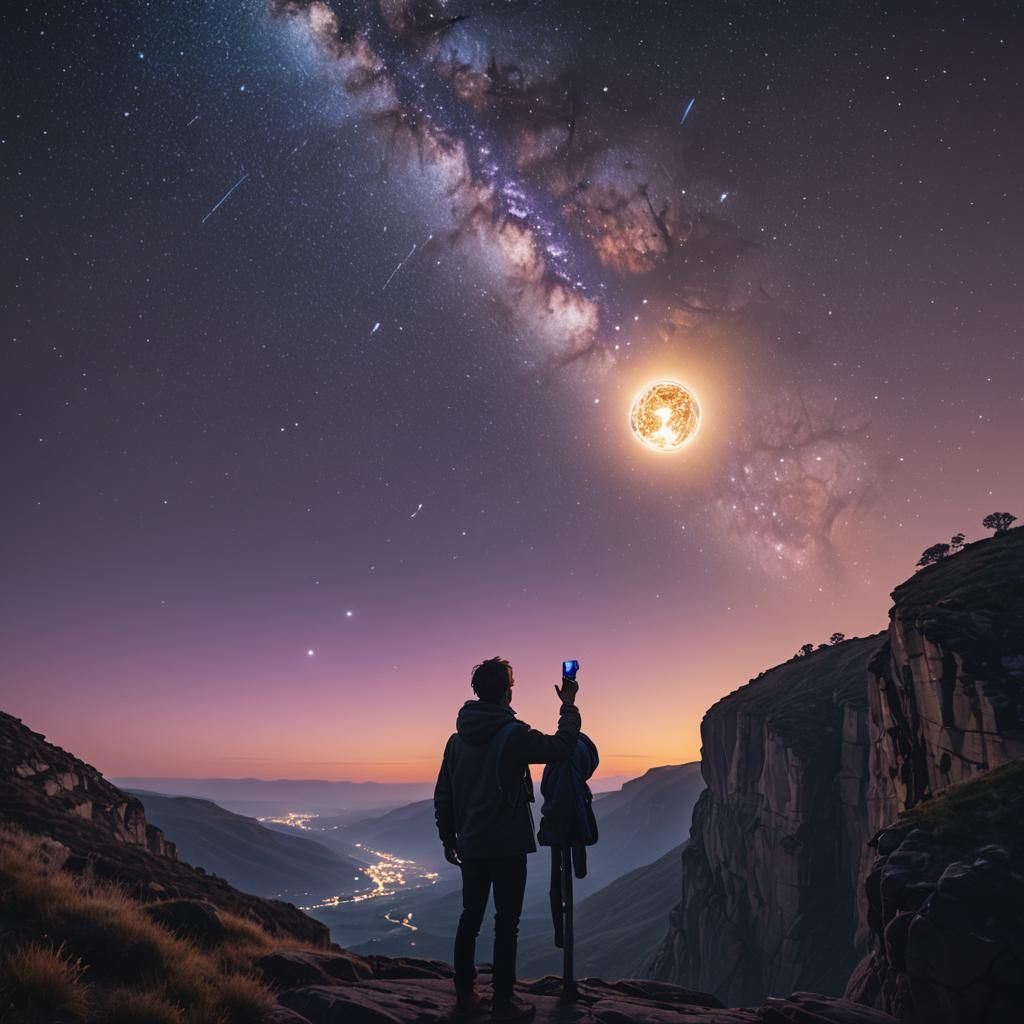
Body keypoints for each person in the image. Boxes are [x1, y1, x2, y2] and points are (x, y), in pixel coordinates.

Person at [434, 657, 581, 1021]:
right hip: (508, 845)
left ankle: (465, 993)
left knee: (470, 916)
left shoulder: (456, 741)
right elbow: (561, 747)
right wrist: (568, 704)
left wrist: (448, 838)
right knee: (506, 921)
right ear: (506, 692)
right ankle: (503, 1002)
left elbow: (444, 795)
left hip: (471, 843)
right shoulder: (512, 735)